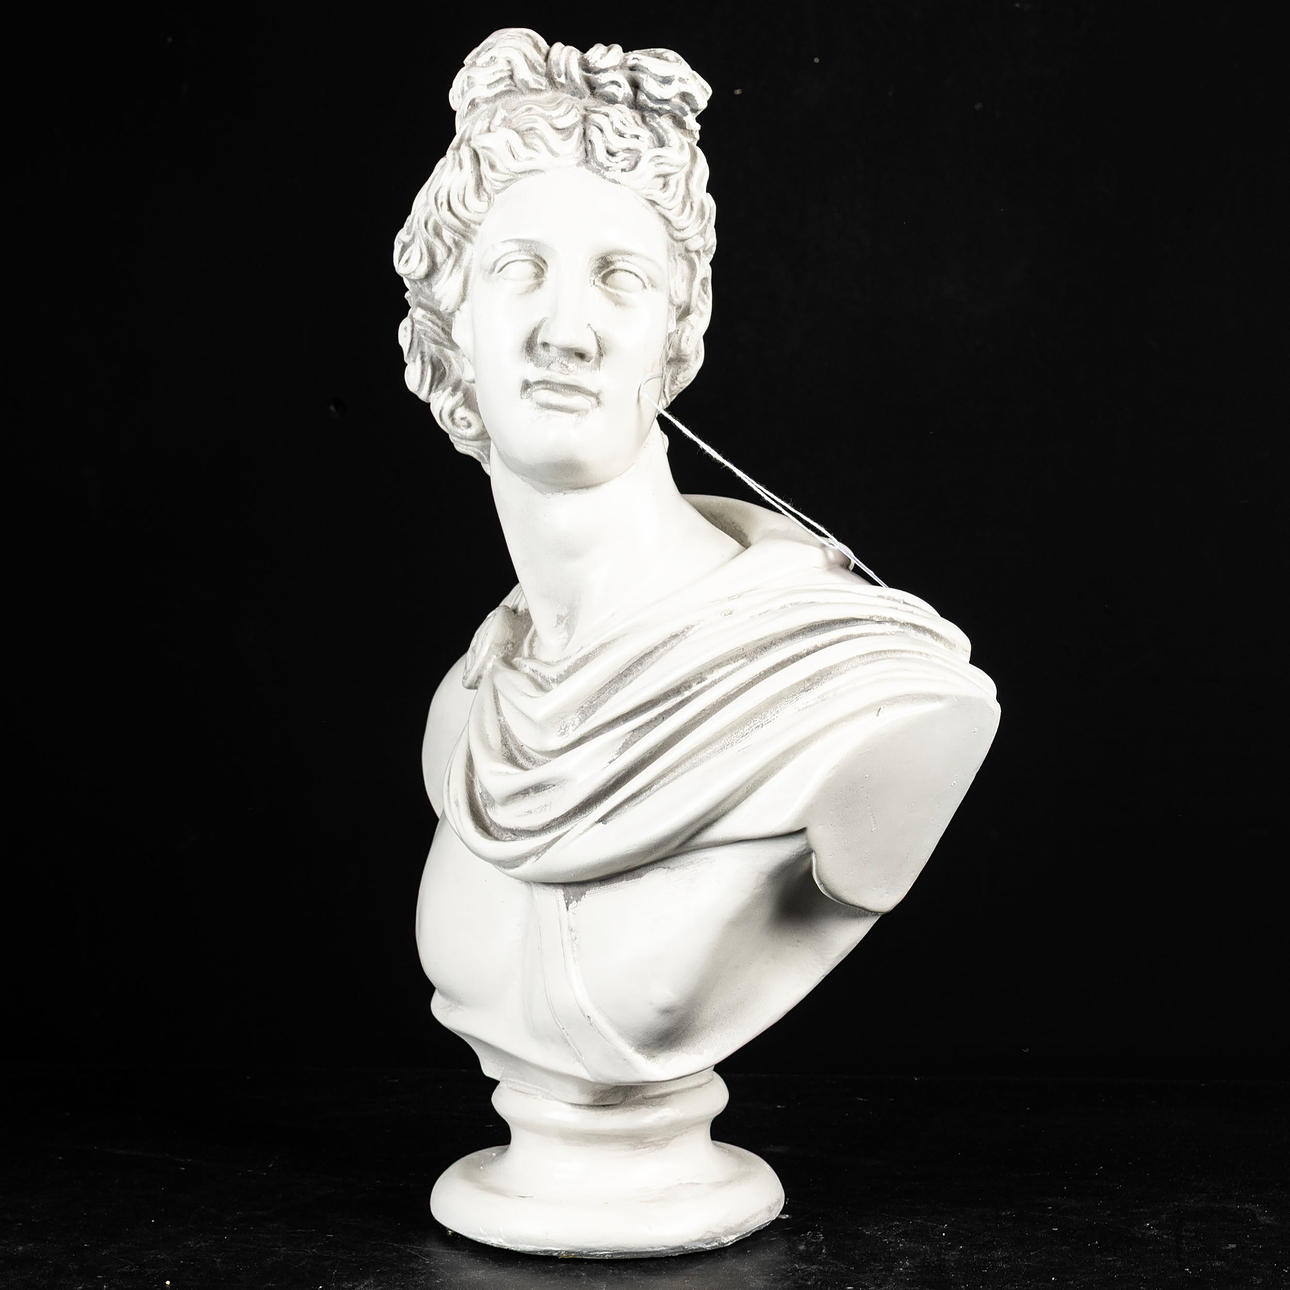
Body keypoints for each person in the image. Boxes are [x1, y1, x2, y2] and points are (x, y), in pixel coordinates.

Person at [393, 28, 999, 1254]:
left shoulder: (867, 696)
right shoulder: (471, 713)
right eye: (519, 268)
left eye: (619, 276)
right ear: (446, 316)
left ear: (679, 328)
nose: (566, 331)